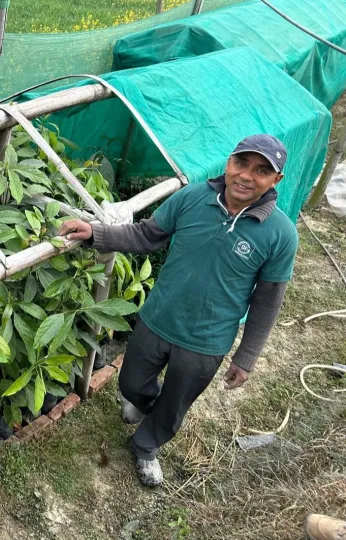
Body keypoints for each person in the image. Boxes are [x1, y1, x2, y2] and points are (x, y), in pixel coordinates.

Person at [58, 134, 298, 486]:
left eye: (262, 170)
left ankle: (146, 446)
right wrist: (96, 233)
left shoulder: (281, 234)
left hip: (207, 340)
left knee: (176, 403)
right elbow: (146, 235)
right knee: (131, 383)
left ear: (276, 180)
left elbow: (267, 301)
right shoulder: (192, 198)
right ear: (229, 163)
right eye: (242, 163)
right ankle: (144, 404)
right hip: (158, 319)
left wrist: (246, 357)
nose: (247, 176)